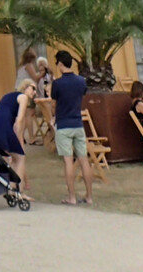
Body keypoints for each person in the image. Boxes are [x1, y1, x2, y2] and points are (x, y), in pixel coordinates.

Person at [51, 49, 93, 205]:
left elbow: (53, 105)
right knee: (84, 160)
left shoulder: (57, 84)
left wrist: (53, 115)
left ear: (61, 64)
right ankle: (89, 196)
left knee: (68, 161)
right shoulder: (81, 81)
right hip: (78, 123)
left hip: (63, 124)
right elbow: (81, 96)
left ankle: (72, 197)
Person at [0, 79, 35, 197]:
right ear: (25, 87)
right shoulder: (23, 97)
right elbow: (19, 120)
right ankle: (19, 192)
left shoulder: (8, 96)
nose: (34, 92)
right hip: (3, 127)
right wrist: (18, 141)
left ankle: (11, 190)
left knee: (14, 158)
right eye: (33, 88)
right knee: (20, 158)